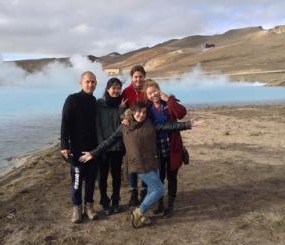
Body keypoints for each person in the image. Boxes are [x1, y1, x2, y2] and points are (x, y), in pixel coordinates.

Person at [79, 101, 203, 228]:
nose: (141, 114)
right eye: (138, 112)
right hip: (138, 164)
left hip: (153, 162)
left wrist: (188, 124)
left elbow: (168, 126)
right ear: (132, 112)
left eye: (144, 112)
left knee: (152, 190)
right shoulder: (124, 127)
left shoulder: (150, 124)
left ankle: (141, 215)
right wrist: (93, 153)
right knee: (159, 189)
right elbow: (109, 141)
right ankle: (139, 212)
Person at [143, 79, 187, 217]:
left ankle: (170, 206)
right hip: (157, 149)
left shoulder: (168, 104)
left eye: (155, 90)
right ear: (146, 95)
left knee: (172, 176)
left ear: (159, 90)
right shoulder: (147, 109)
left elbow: (181, 113)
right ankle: (160, 204)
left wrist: (169, 99)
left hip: (172, 147)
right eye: (150, 93)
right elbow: (134, 115)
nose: (153, 94)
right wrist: (124, 115)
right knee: (159, 178)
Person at [60, 71, 99, 223]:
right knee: (76, 180)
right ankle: (76, 208)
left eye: (93, 82)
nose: (91, 85)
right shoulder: (72, 99)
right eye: (88, 82)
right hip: (76, 148)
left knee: (90, 180)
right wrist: (64, 145)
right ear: (81, 82)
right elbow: (65, 122)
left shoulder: (94, 101)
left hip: (92, 148)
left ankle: (88, 207)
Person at [96, 77, 127, 215]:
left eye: (118, 88)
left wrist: (121, 110)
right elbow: (96, 125)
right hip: (102, 147)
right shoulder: (99, 104)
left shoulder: (122, 105)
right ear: (108, 89)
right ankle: (104, 201)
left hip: (118, 147)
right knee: (102, 176)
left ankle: (115, 200)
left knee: (116, 175)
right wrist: (101, 143)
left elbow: (123, 124)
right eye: (113, 88)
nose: (116, 91)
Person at [121, 65, 148, 206]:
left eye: (140, 76)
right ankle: (133, 193)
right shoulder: (126, 91)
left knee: (144, 160)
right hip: (130, 130)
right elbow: (120, 109)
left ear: (144, 77)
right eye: (135, 76)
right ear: (132, 78)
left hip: (145, 129)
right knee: (132, 161)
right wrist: (122, 117)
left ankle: (144, 191)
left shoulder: (147, 90)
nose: (138, 79)